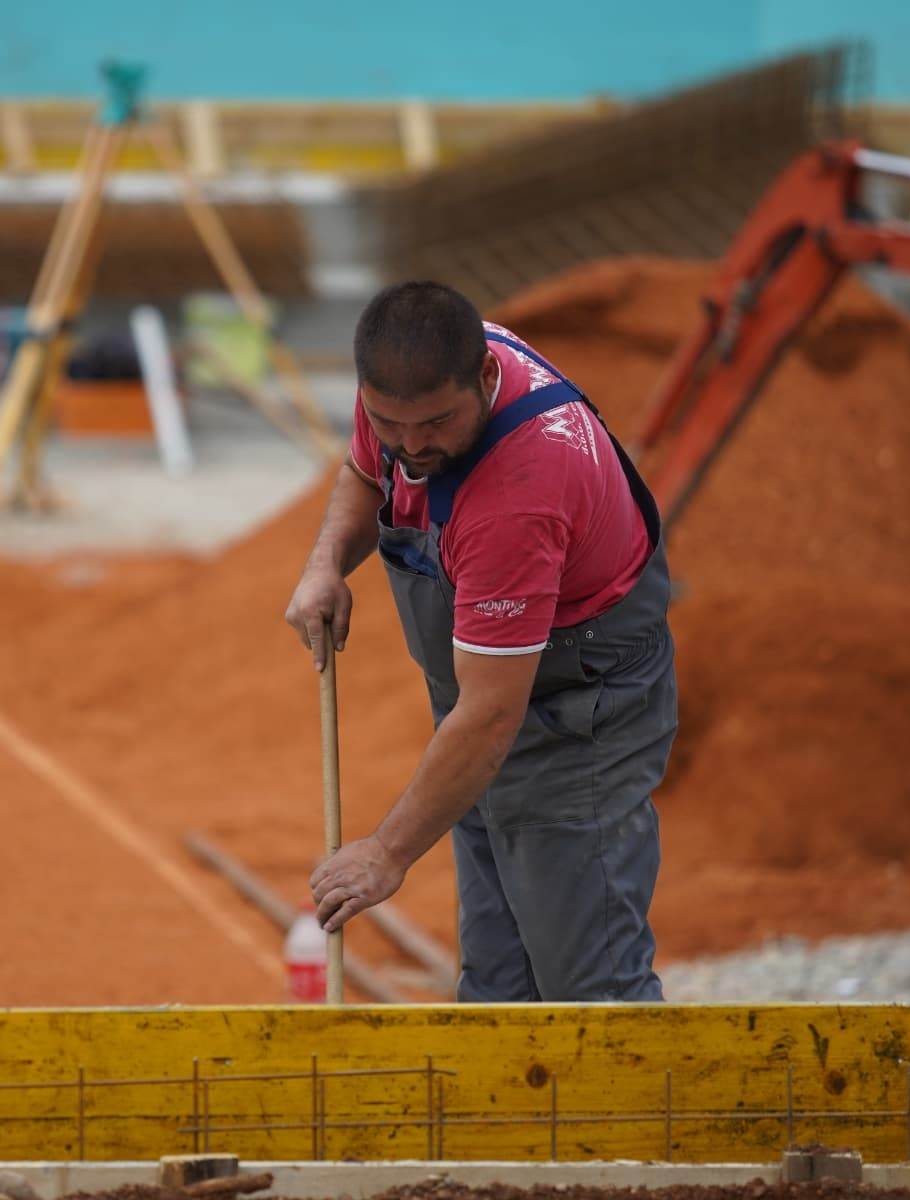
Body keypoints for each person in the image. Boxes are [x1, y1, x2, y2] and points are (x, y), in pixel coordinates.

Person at [283, 281, 677, 1001]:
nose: (410, 444)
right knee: (499, 985)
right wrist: (325, 567)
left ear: (486, 378)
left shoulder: (518, 497)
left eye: (434, 425)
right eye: (388, 421)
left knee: (589, 991)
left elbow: (493, 716)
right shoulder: (412, 376)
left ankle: (627, 1112)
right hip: (486, 707)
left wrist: (385, 853)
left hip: (573, 719)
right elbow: (367, 471)